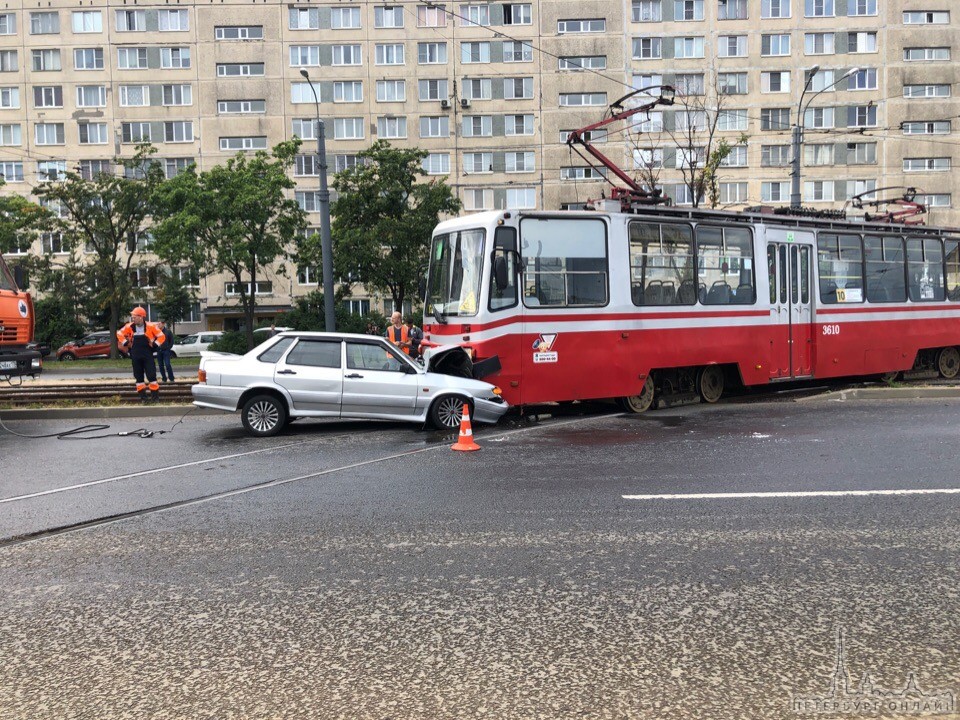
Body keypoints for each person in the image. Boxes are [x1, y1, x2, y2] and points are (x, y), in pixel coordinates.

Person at [117, 307, 166, 403]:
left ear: (141, 317)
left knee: (152, 376)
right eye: (132, 317)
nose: (133, 318)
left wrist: (156, 344)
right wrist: (125, 342)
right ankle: (144, 399)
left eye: (134, 317)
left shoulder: (151, 326)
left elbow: (161, 336)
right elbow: (119, 333)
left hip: (148, 354)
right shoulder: (129, 326)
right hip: (135, 354)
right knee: (138, 377)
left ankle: (155, 399)